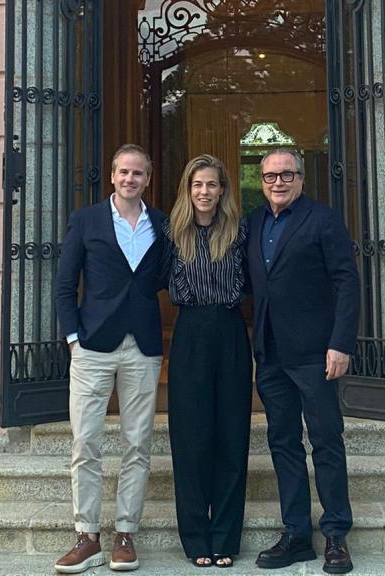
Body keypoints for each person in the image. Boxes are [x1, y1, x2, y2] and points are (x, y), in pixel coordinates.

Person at [53, 144, 168, 573]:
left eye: (137, 173)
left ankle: (125, 534)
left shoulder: (162, 223)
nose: (129, 179)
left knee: (137, 443)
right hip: (93, 347)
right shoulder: (86, 221)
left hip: (143, 346)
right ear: (112, 175)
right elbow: (65, 284)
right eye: (123, 172)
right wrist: (72, 339)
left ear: (148, 178)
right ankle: (86, 535)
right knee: (86, 443)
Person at [246, 149, 359, 574]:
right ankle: (295, 534)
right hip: (271, 354)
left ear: (301, 179)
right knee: (283, 442)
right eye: (271, 175)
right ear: (261, 180)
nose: (279, 182)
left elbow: (346, 282)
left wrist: (340, 343)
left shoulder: (323, 220)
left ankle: (335, 535)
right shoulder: (253, 223)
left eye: (287, 174)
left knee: (326, 441)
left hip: (316, 353)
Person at [163, 155, 251, 569]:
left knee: (231, 437)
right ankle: (196, 536)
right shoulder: (171, 233)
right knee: (192, 438)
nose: (204, 192)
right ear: (188, 189)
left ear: (222, 190)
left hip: (230, 332)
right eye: (197, 184)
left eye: (212, 185)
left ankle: (226, 538)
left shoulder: (239, 231)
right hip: (190, 333)